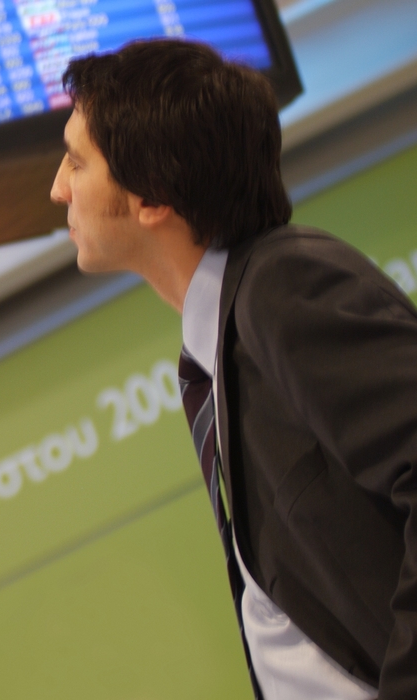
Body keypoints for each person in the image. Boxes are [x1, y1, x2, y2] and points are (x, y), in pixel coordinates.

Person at [49, 39, 417, 700]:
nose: (56, 188)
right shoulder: (219, 343)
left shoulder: (283, 283)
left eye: (76, 162)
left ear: (153, 195)